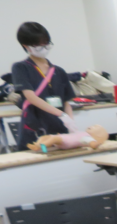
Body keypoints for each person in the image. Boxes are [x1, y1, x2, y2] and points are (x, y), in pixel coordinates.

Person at [11, 22, 81, 151]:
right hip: (36, 127)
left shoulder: (59, 71)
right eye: (38, 46)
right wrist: (61, 115)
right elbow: (31, 97)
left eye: (46, 44)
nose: (44, 48)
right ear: (26, 46)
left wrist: (70, 122)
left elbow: (66, 101)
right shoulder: (20, 68)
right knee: (38, 156)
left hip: (59, 127)